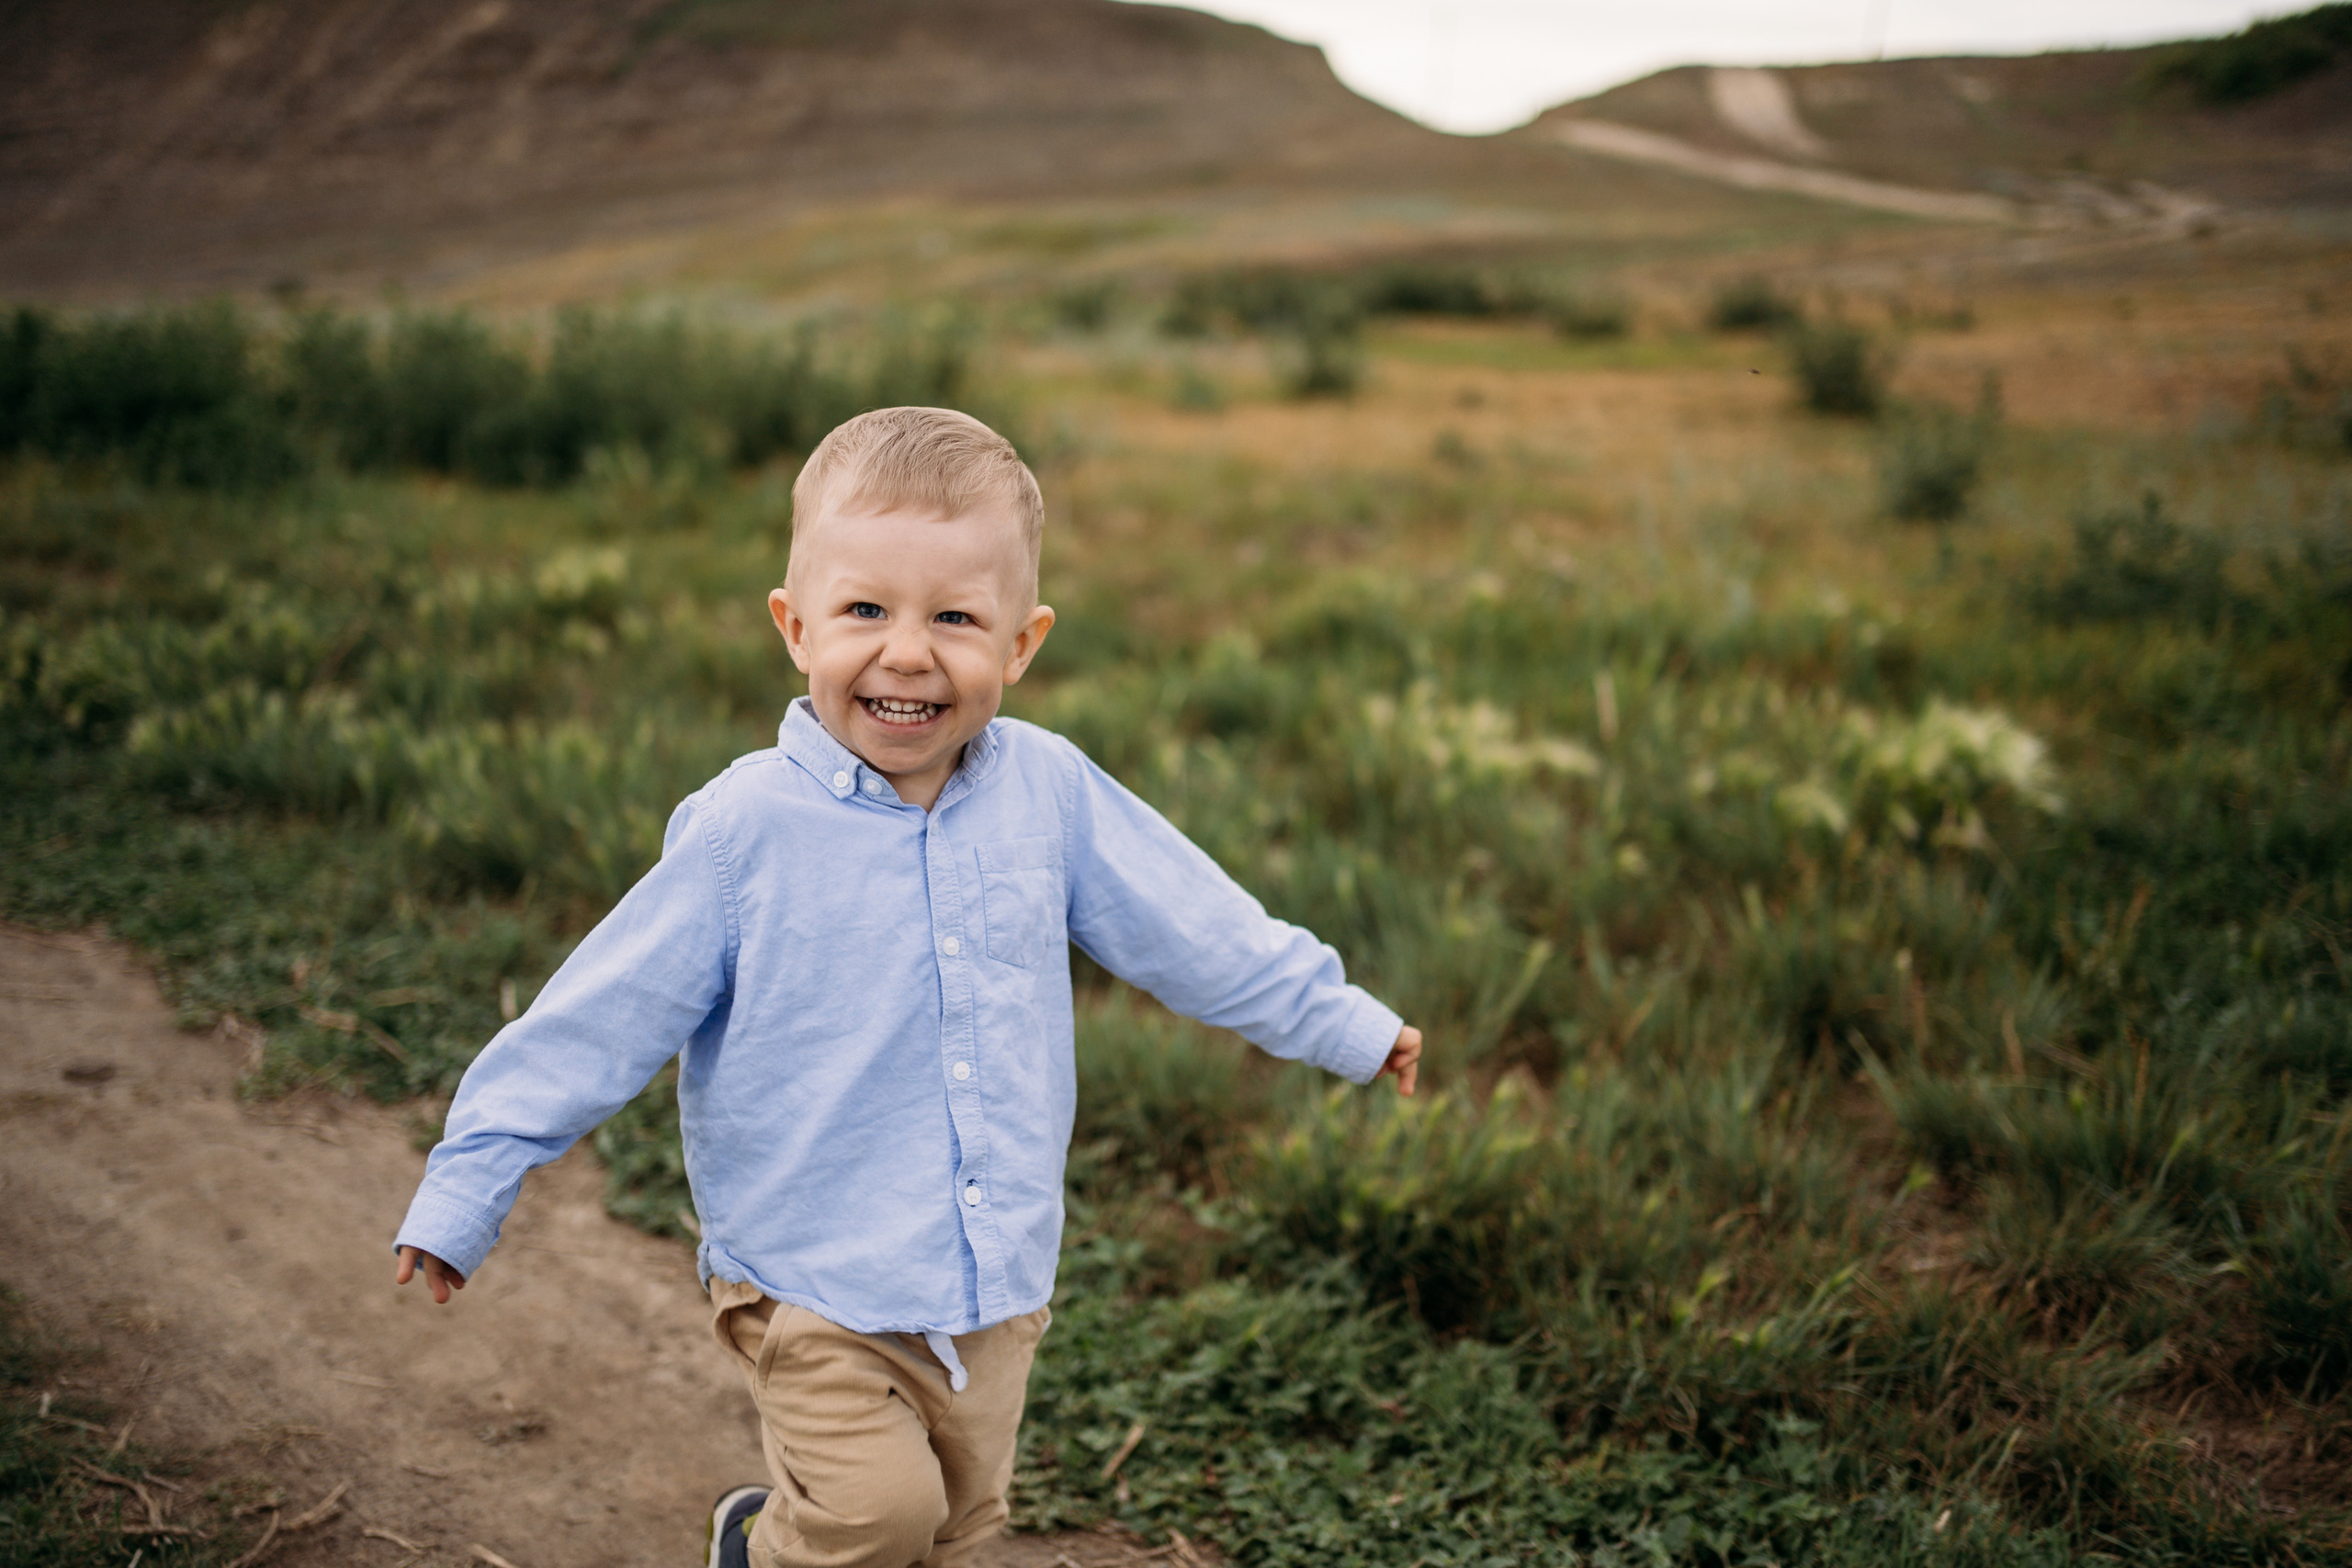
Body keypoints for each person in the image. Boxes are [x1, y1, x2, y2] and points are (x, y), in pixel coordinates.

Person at [392, 406, 1423, 1568]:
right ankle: (767, 1552)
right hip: (808, 1275)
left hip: (994, 1274)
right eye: (865, 610)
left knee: (956, 1527)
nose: (907, 650)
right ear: (795, 626)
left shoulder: (1050, 793)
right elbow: (595, 1020)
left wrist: (1340, 1021)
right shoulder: (745, 834)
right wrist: (468, 1186)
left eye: (954, 618)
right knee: (873, 1520)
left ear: (1021, 645)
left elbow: (1196, 926)